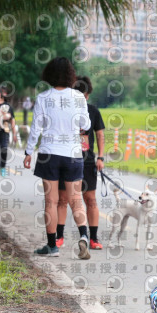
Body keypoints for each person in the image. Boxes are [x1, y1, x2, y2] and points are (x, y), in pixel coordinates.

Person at [23, 57, 91, 260]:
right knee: (75, 199)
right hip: (72, 154)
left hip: (49, 154)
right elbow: (85, 125)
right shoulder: (78, 97)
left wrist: (28, 152)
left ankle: (52, 246)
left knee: (50, 201)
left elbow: (36, 128)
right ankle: (84, 236)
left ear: (49, 74)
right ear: (71, 75)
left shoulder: (44, 98)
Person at [55, 76, 105, 250]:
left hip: (88, 161)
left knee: (90, 199)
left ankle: (94, 238)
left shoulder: (93, 111)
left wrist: (101, 157)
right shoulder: (64, 111)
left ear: (87, 96)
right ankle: (59, 237)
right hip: (66, 159)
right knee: (62, 199)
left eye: (82, 96)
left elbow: (99, 135)